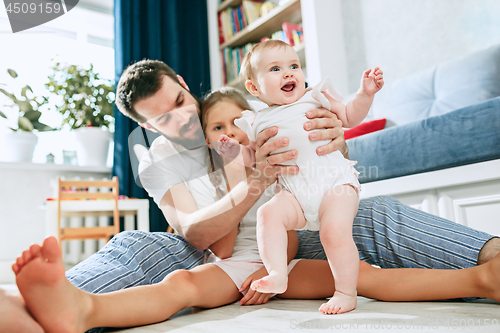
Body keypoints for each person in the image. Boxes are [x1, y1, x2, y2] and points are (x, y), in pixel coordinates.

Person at [2, 58, 500, 332]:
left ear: (183, 83)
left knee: (373, 219)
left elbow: (316, 124)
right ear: (145, 127)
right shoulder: (157, 156)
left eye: (180, 102)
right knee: (143, 250)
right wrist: (254, 181)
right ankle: (45, 308)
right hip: (221, 246)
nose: (183, 120)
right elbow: (200, 234)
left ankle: (488, 267)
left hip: (299, 226)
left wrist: (331, 133)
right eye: (163, 119)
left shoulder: (239, 108)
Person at [216, 40, 383, 314]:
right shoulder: (256, 121)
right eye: (275, 69)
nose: (289, 73)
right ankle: (278, 274)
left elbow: (351, 117)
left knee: (333, 233)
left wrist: (365, 94)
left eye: (294, 65)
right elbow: (252, 157)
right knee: (268, 214)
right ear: (254, 88)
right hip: (295, 194)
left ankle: (345, 293)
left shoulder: (315, 96)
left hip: (334, 185)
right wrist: (235, 150)